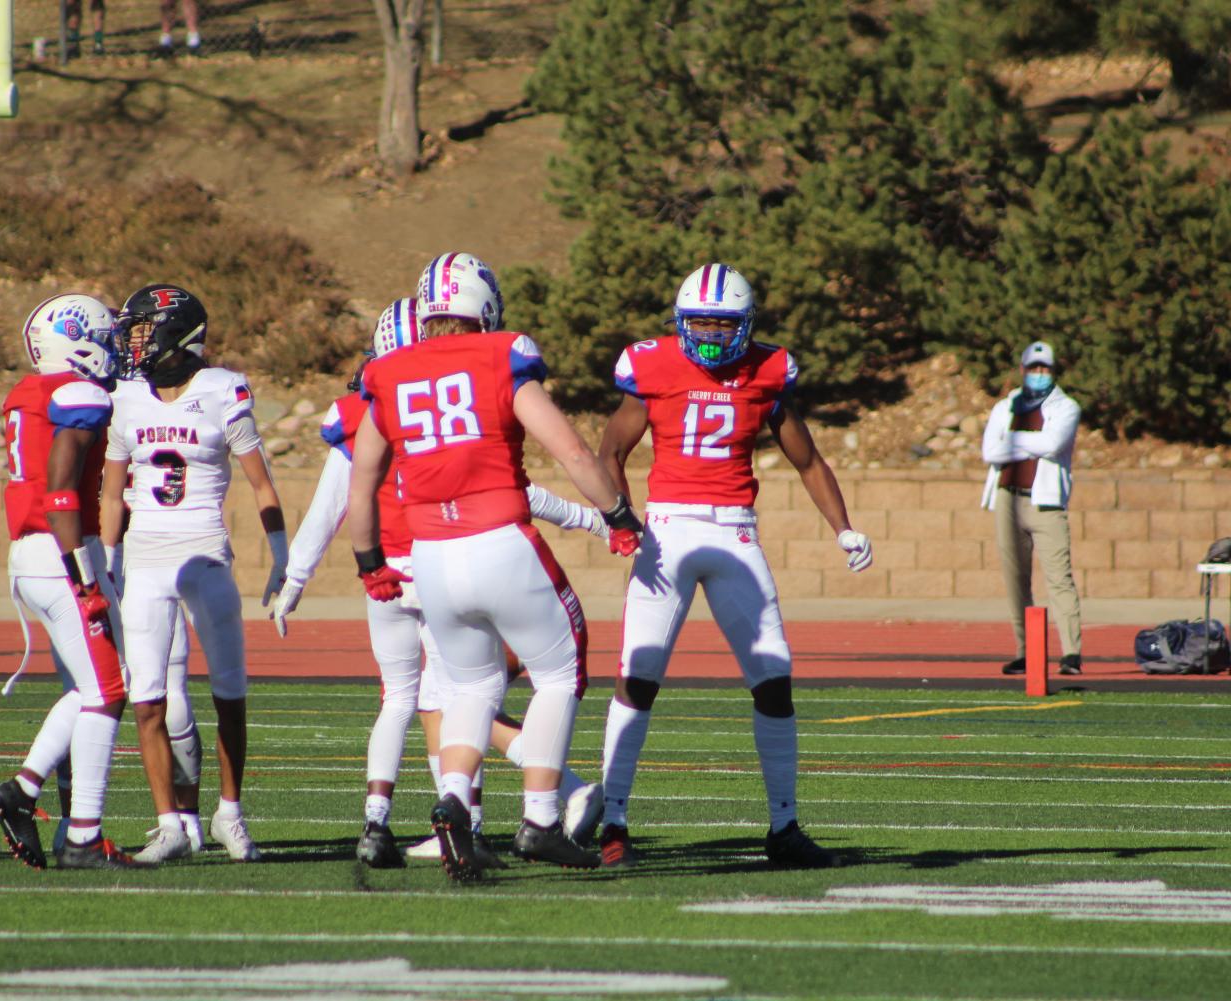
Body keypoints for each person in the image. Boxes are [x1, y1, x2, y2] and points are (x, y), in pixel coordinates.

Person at [273, 297, 606, 867]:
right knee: (485, 687)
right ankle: (535, 803)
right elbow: (516, 485)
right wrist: (601, 517)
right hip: (463, 554)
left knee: (418, 699)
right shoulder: (474, 380)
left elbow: (339, 504)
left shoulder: (369, 403)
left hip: (410, 568)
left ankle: (398, 819)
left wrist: (304, 576)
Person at [347, 252, 641, 882]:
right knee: (560, 671)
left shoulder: (388, 371)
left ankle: (454, 800)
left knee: (471, 687)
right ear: (482, 305)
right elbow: (571, 450)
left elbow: (363, 480)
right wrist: (617, 515)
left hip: (431, 557)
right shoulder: (500, 354)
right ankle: (539, 818)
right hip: (501, 540)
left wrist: (370, 563)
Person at [594, 263, 872, 870]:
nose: (713, 336)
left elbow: (808, 461)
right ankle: (612, 820)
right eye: (702, 324)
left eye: (724, 325)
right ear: (680, 321)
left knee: (774, 677)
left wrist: (843, 527)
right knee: (637, 676)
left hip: (736, 530)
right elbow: (612, 450)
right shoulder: (653, 365)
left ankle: (783, 826)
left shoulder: (769, 371)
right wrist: (622, 519)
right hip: (668, 531)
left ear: (746, 325)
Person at [99, 283, 289, 864]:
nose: (132, 339)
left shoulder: (220, 389)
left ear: (175, 332)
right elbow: (112, 493)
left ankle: (230, 812)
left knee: (229, 692)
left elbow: (261, 483)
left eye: (141, 328)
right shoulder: (127, 397)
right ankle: (170, 826)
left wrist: (283, 557)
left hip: (206, 556)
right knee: (148, 698)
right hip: (148, 560)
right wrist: (108, 563)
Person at [0, 293, 136, 869]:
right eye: (103, 339)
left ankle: (24, 791)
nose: (112, 351)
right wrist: (85, 573)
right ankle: (82, 837)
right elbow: (60, 488)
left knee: (92, 686)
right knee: (108, 694)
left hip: (32, 555)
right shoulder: (79, 393)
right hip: (61, 551)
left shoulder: (29, 392)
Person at [980, 340, 1083, 677]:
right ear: (1022, 370)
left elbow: (1053, 444)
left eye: (1045, 368)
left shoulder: (1066, 407)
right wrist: (1030, 443)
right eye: (1034, 368)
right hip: (1009, 499)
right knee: (1015, 580)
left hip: (1046, 503)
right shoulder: (1005, 406)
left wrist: (1013, 439)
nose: (1039, 374)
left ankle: (1071, 654)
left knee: (1059, 578)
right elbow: (990, 452)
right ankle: (1026, 650)